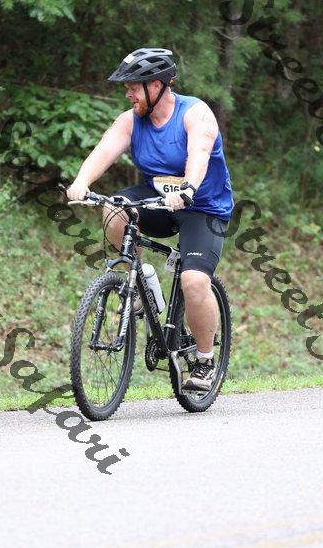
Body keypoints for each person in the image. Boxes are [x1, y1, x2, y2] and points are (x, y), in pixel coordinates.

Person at [67, 47, 234, 391]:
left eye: (133, 87)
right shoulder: (131, 120)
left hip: (202, 207)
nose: (128, 94)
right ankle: (139, 280)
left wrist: (188, 188)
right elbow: (104, 150)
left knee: (193, 282)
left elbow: (199, 154)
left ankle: (204, 361)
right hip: (158, 201)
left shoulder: (195, 113)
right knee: (115, 208)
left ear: (156, 85)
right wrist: (81, 182)